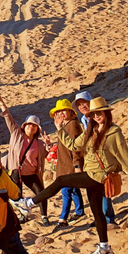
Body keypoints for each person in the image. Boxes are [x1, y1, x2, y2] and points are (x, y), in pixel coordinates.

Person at [16, 97, 128, 254]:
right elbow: (74, 145)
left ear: (106, 113)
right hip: (91, 174)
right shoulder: (91, 131)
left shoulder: (113, 132)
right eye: (93, 114)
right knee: (97, 212)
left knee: (61, 181)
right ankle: (105, 247)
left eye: (99, 113)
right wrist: (59, 129)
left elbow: (125, 157)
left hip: (98, 176)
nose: (96, 116)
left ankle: (30, 203)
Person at [0, 91, 50, 226]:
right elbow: (8, 117)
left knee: (41, 193)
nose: (31, 127)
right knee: (17, 196)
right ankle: (23, 216)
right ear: (25, 126)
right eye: (29, 124)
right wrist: (1, 103)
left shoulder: (39, 144)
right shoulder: (16, 133)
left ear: (37, 129)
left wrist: (48, 145)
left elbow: (46, 156)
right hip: (15, 172)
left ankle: (44, 216)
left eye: (34, 126)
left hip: (30, 173)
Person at [74, 91, 116, 225]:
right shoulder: (82, 120)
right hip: (90, 160)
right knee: (93, 192)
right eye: (79, 105)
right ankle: (99, 218)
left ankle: (108, 219)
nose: (82, 107)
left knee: (105, 190)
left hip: (102, 159)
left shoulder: (99, 117)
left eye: (84, 103)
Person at [48, 99, 85, 231]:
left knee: (65, 191)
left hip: (69, 165)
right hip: (65, 164)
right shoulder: (66, 125)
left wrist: (76, 165)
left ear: (70, 112)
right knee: (73, 189)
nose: (61, 113)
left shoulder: (73, 125)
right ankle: (80, 210)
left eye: (63, 110)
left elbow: (76, 147)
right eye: (58, 111)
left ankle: (63, 219)